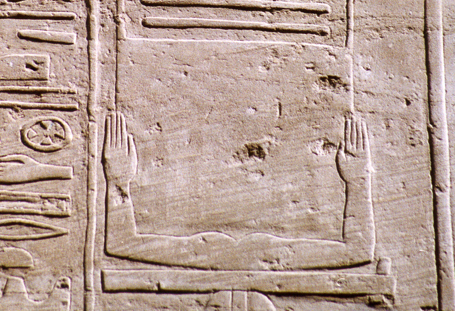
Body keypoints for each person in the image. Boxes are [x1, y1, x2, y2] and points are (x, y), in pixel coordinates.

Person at [102, 112, 375, 270]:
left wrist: (117, 181)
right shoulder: (264, 255)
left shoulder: (209, 252)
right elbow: (358, 251)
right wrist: (358, 182)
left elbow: (120, 243)